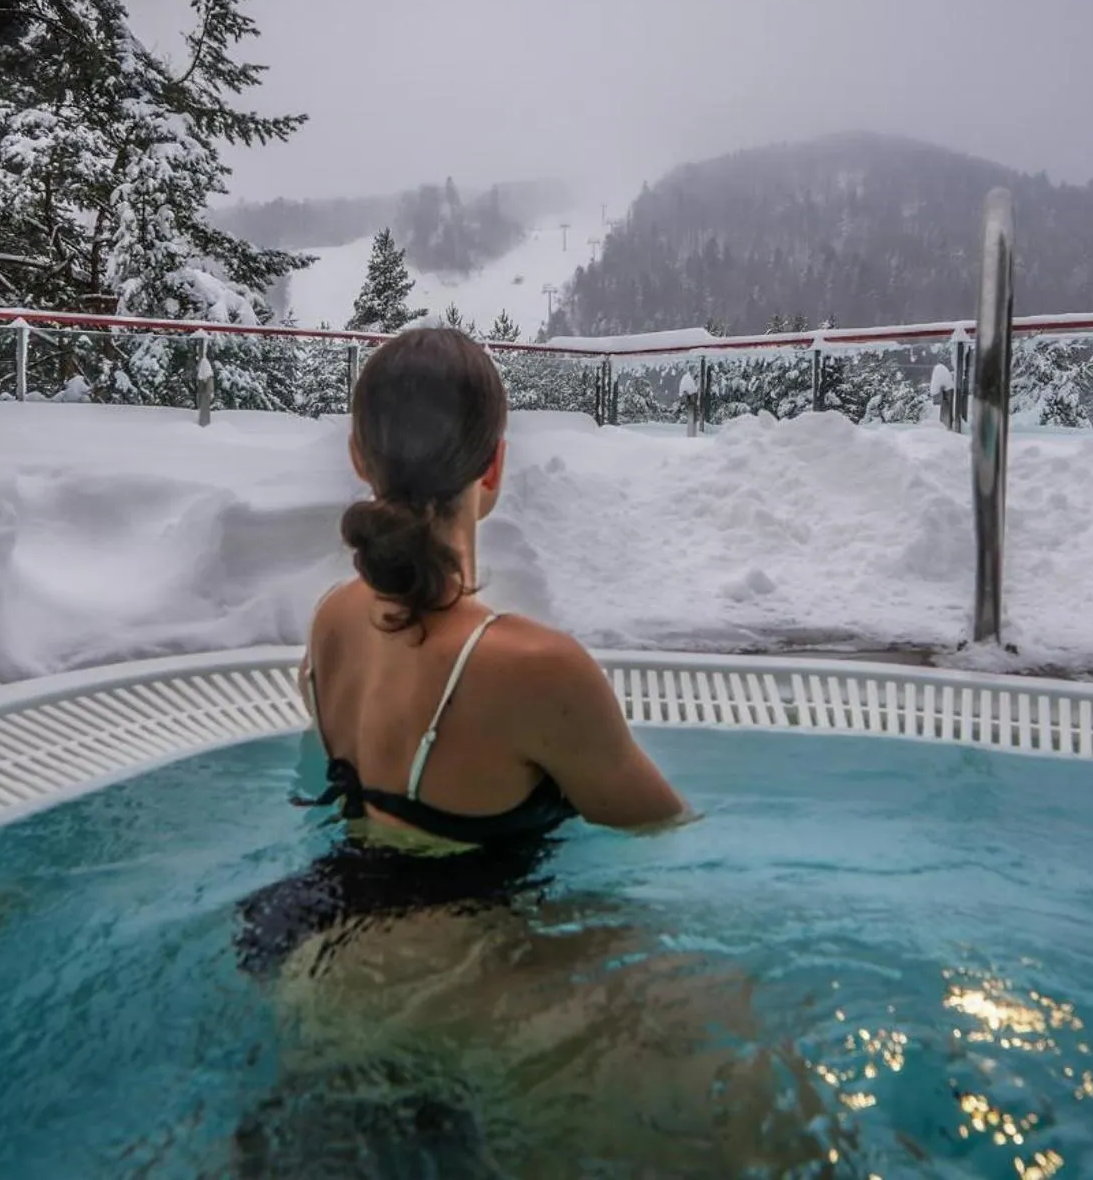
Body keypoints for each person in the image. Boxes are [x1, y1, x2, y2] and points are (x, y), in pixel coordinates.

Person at [231, 327, 833, 1177]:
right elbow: (667, 831)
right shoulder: (533, 668)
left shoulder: (332, 619)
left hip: (300, 934)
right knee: (758, 1082)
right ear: (495, 469)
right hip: (440, 969)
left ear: (359, 456)